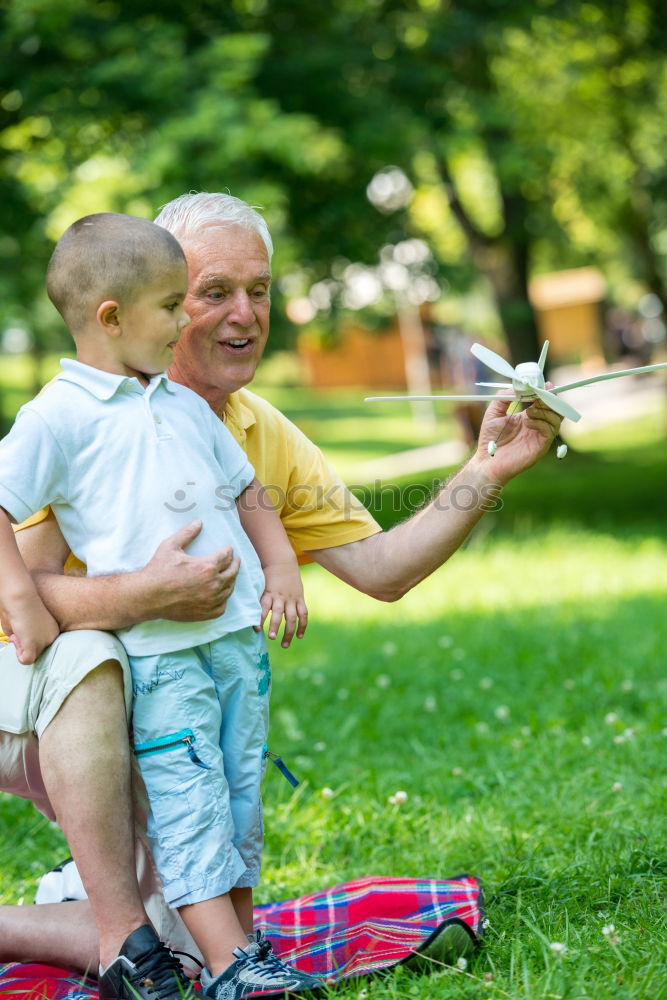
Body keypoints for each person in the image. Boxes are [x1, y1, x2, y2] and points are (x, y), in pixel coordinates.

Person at [0, 192, 561, 993]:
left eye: (258, 291)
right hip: (36, 697)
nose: (246, 314)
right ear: (129, 308)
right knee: (94, 654)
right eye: (210, 292)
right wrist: (143, 595)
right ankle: (114, 918)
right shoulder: (80, 422)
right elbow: (19, 594)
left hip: (153, 704)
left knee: (194, 949)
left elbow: (380, 568)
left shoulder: (246, 425)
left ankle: (109, 909)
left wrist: (484, 472)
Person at [0, 213, 319, 1000]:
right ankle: (225, 966)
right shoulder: (58, 416)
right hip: (158, 653)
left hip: (235, 642)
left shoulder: (180, 404)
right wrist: (20, 599)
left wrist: (280, 567)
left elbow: (247, 488)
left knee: (240, 793)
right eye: (173, 306)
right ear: (111, 317)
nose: (185, 323)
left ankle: (239, 953)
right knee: (189, 794)